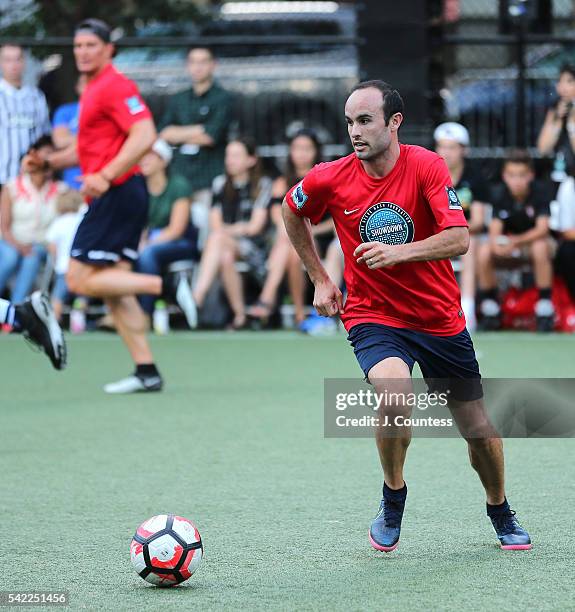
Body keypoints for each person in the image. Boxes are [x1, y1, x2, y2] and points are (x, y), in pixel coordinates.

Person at [282, 80, 531, 552]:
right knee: (394, 393)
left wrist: (400, 253)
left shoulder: (426, 165)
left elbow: (459, 239)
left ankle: (498, 507)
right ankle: (393, 494)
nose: (355, 131)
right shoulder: (329, 176)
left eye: (365, 120)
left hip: (438, 318)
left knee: (478, 431)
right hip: (372, 314)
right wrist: (319, 277)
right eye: (349, 122)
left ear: (394, 122)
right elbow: (291, 211)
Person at [64, 18, 197, 394]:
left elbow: (145, 133)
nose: (83, 52)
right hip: (117, 192)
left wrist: (107, 174)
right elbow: (86, 149)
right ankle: (146, 370)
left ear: (108, 49)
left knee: (77, 279)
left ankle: (166, 285)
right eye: (78, 46)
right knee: (114, 291)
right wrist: (49, 161)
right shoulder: (92, 89)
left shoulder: (113, 85)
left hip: (117, 193)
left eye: (91, 45)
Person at [248, 129, 337, 329]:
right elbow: (275, 213)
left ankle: (267, 300)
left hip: (318, 239)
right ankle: (298, 315)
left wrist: (308, 233)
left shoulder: (325, 179)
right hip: (287, 240)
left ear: (316, 151)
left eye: (307, 148)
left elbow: (335, 220)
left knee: (292, 243)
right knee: (292, 246)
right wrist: (294, 232)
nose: (302, 153)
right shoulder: (282, 182)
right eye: (297, 148)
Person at [191, 138, 272, 329]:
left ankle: (196, 298)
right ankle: (240, 316)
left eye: (236, 155)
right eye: (228, 155)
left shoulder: (263, 184)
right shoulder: (219, 184)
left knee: (218, 239)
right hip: (225, 247)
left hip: (256, 251)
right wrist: (239, 228)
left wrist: (230, 230)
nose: (229, 160)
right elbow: (215, 224)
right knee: (225, 256)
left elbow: (255, 228)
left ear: (251, 160)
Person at [159, 46, 233, 246]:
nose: (197, 67)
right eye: (193, 62)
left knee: (208, 235)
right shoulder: (178, 99)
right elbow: (165, 133)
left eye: (203, 61)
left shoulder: (223, 98)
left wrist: (181, 133)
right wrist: (198, 130)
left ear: (213, 65)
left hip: (210, 177)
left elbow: (211, 136)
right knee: (177, 229)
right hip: (181, 175)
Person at [477, 150, 554, 331]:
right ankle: (491, 309)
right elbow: (495, 229)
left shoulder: (540, 191)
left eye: (521, 175)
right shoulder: (499, 194)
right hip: (509, 245)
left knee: (540, 247)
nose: (516, 180)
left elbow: (543, 229)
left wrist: (516, 242)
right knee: (484, 250)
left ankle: (544, 309)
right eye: (511, 175)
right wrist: (496, 243)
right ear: (505, 176)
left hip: (533, 243)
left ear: (530, 176)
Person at [136, 139, 199, 318]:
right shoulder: (137, 187)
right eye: (142, 155)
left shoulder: (178, 186)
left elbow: (176, 230)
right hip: (148, 242)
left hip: (181, 243)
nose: (144, 160)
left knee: (148, 253)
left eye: (150, 156)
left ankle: (144, 314)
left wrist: (146, 243)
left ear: (163, 161)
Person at [0, 136, 67, 304]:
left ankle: (15, 312)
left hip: (41, 245)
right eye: (44, 155)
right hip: (11, 241)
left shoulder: (60, 190)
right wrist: (20, 246)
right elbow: (4, 227)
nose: (47, 160)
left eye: (52, 155)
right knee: (10, 258)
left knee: (32, 256)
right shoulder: (11, 187)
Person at [434, 122, 487, 332]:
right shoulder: (427, 174)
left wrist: (454, 231)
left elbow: (479, 220)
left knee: (469, 245)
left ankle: (467, 308)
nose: (446, 152)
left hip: (466, 235)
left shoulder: (476, 179)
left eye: (452, 147)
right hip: (435, 235)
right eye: (442, 146)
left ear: (463, 150)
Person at [0, 44, 50, 194]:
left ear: (24, 62)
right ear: (1, 63)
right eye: (8, 60)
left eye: (17, 59)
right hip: (2, 178)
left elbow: (45, 137)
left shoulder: (36, 97)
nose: (13, 65)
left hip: (31, 180)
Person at [45, 190, 86, 322]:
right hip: (80, 266)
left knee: (58, 296)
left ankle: (54, 320)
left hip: (63, 267)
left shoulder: (58, 223)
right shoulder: (83, 220)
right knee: (82, 293)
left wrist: (55, 259)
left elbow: (52, 246)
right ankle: (78, 316)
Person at [537, 64, 575, 182]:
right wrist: (557, 119)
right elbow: (543, 149)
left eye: (569, 81)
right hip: (559, 174)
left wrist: (572, 122)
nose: (563, 87)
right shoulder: (554, 109)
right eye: (560, 81)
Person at [50, 74, 87, 191]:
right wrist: (93, 139)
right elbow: (60, 141)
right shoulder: (65, 111)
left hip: (99, 182)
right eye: (84, 83)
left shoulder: (106, 112)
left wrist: (73, 139)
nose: (88, 87)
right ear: (77, 87)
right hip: (71, 184)